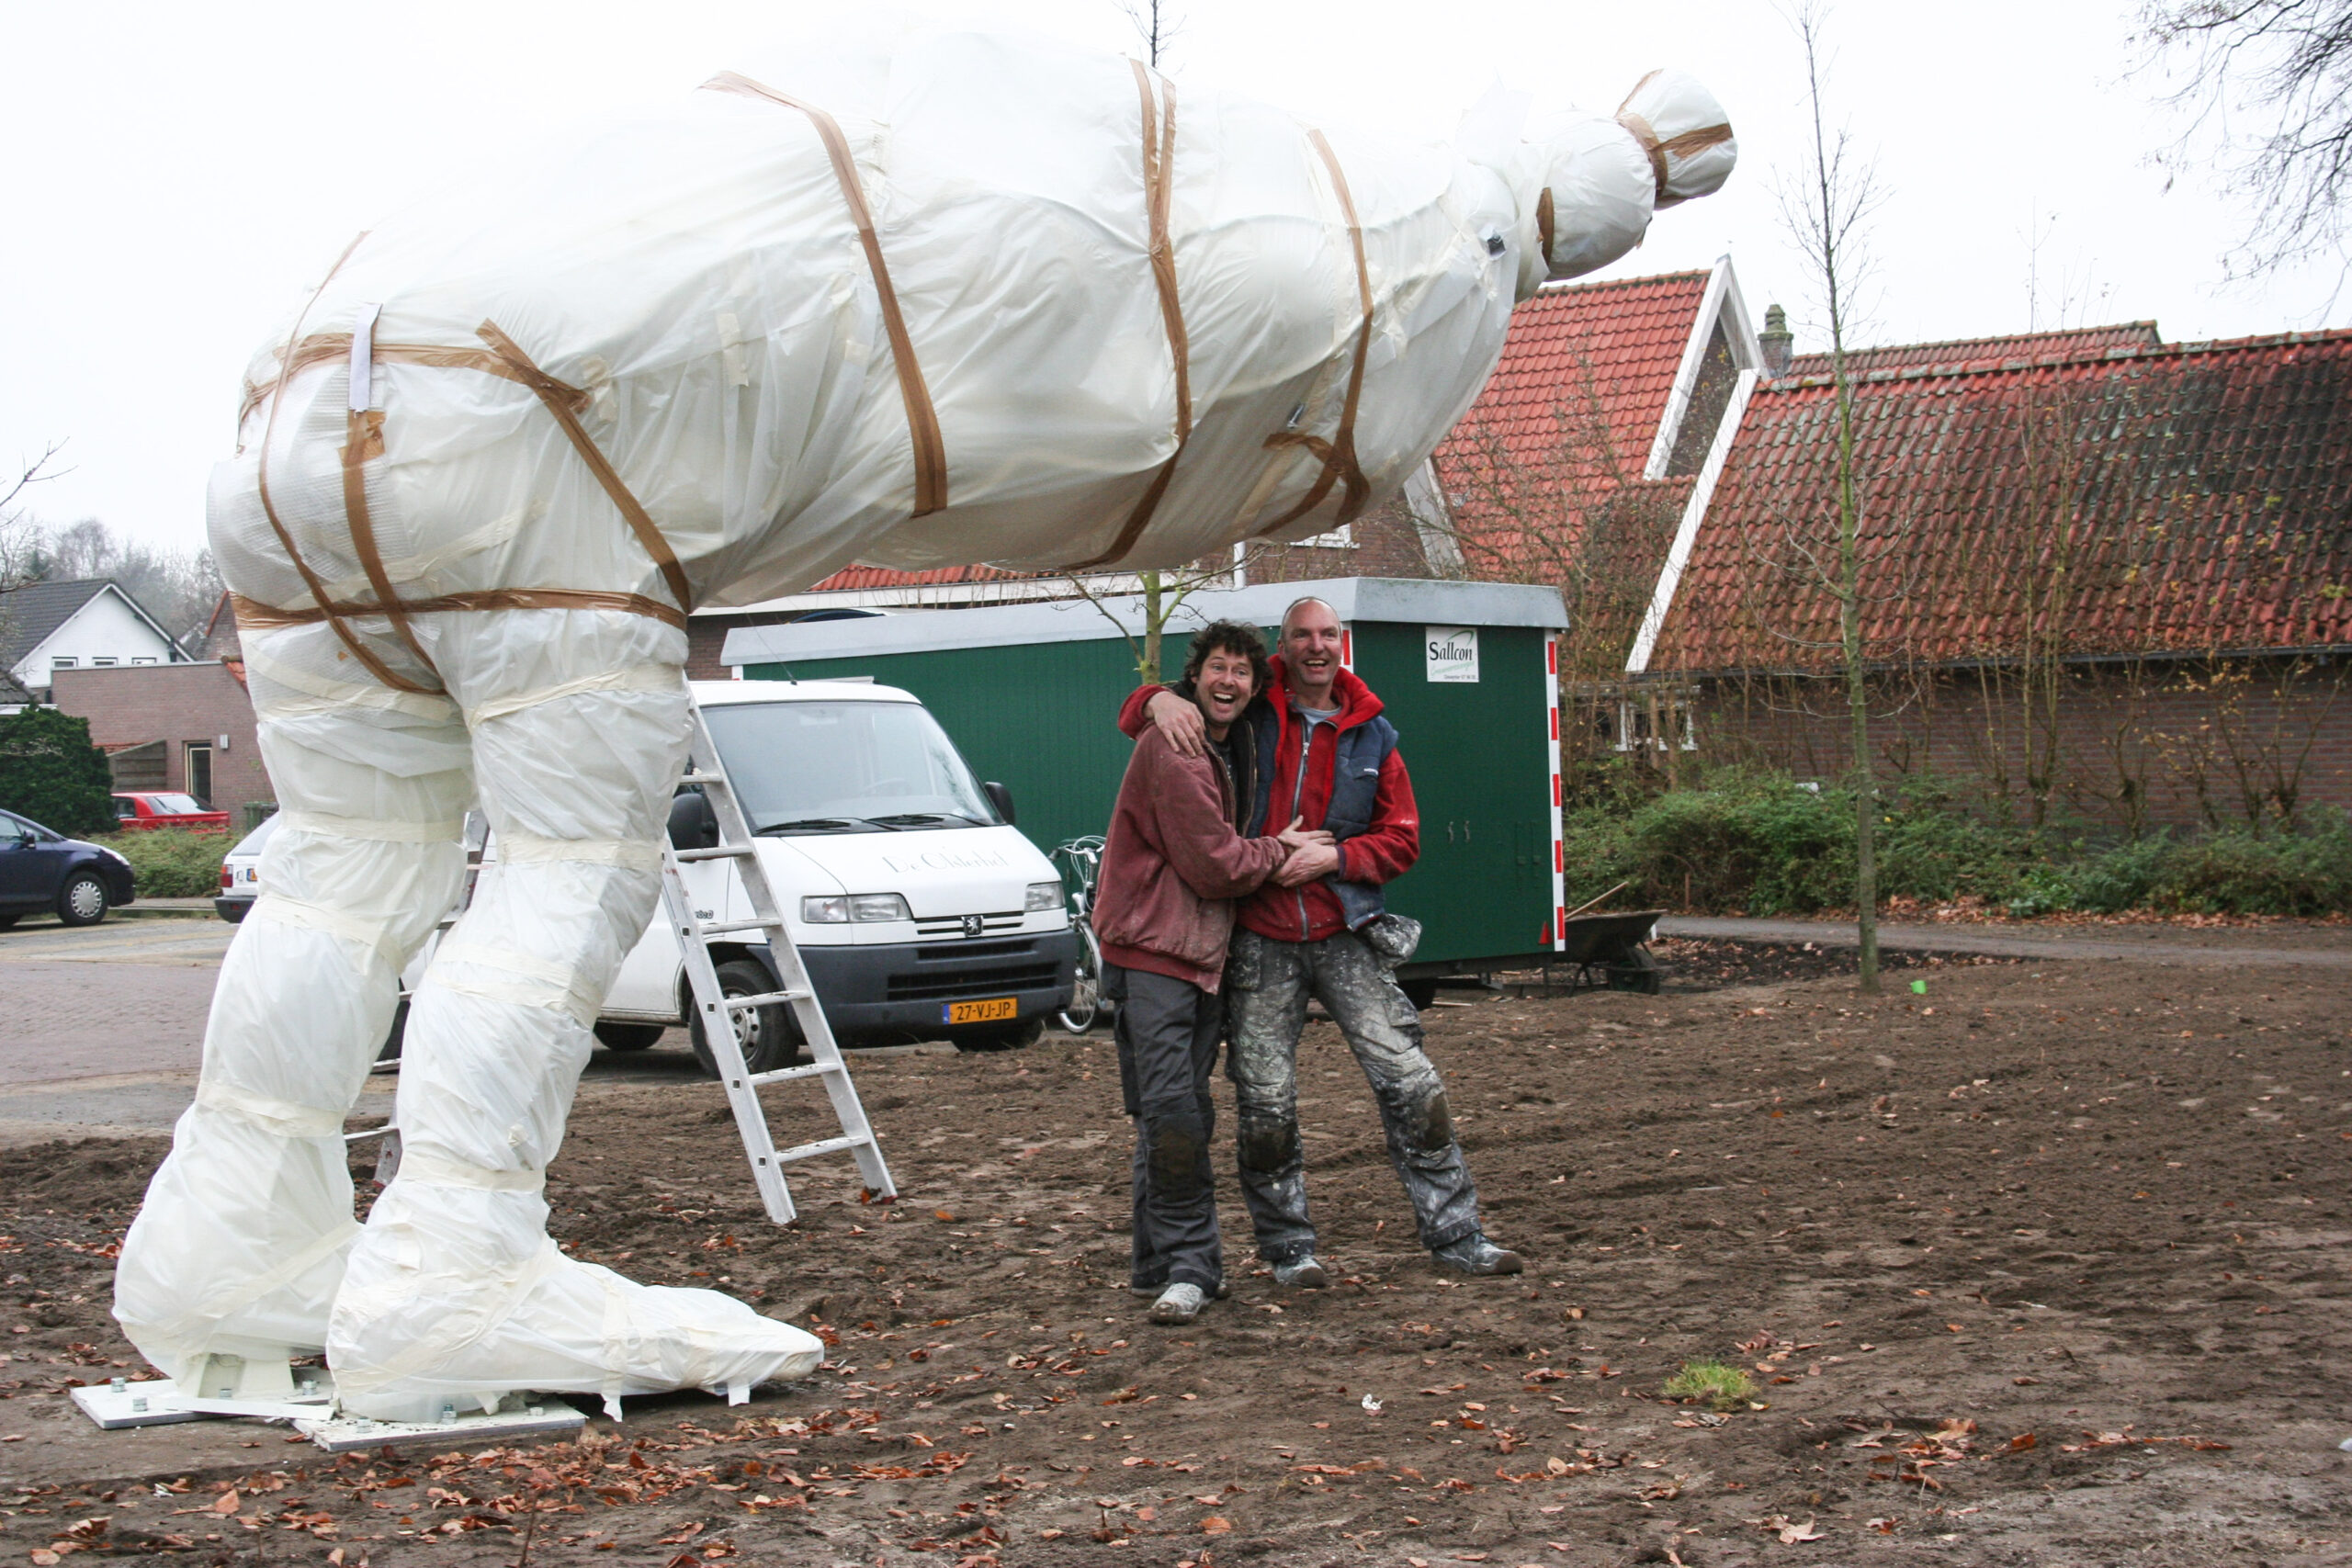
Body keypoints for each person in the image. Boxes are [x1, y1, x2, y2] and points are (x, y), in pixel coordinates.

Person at [1119, 596, 1524, 1284]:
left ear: (1343, 643)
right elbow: (1156, 711)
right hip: (1259, 937)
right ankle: (1289, 1251)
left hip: (1346, 933)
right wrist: (1154, 698)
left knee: (1411, 1083)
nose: (1316, 645)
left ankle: (1459, 1235)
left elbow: (1402, 840)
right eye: (1302, 635)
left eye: (1328, 634)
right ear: (1283, 647)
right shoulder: (1253, 707)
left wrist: (1334, 858)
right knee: (1265, 1104)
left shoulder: (1375, 735)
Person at [1090, 620, 1328, 1326]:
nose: (1229, 680)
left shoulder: (1232, 739)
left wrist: (1149, 697)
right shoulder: (1178, 745)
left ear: (1255, 686)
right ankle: (1194, 1267)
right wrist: (1278, 850)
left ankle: (1154, 1263)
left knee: (1169, 1108)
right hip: (1155, 951)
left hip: (1193, 953)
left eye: (1242, 671)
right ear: (1194, 676)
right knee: (1174, 1112)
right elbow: (1214, 864)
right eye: (1217, 666)